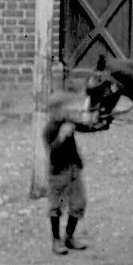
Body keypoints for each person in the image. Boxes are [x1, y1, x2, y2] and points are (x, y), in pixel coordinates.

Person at [42, 90, 97, 255]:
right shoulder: (49, 129)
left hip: (73, 169)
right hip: (58, 172)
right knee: (56, 206)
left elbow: (85, 127)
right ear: (52, 111)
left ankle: (70, 237)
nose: (63, 112)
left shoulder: (68, 122)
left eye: (64, 108)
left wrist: (98, 122)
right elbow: (53, 153)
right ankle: (56, 241)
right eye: (59, 109)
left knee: (78, 203)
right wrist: (61, 136)